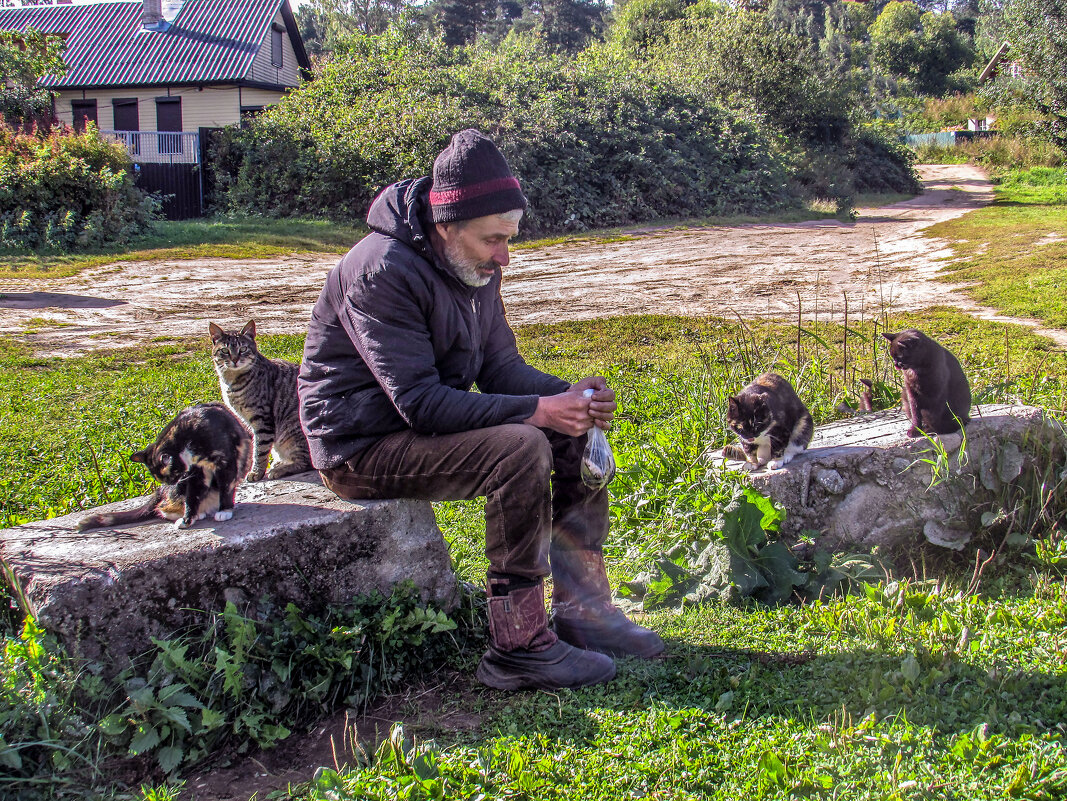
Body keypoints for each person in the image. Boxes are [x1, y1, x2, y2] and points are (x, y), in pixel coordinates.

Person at [298, 129, 663, 691]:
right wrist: (539, 412)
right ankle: (517, 646)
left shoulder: (472, 267)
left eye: (510, 238)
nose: (505, 256)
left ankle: (583, 613)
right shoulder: (381, 270)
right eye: (494, 239)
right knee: (521, 447)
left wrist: (571, 398)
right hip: (360, 445)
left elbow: (500, 369)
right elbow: (419, 403)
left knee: (568, 430)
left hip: (413, 426)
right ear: (448, 224)